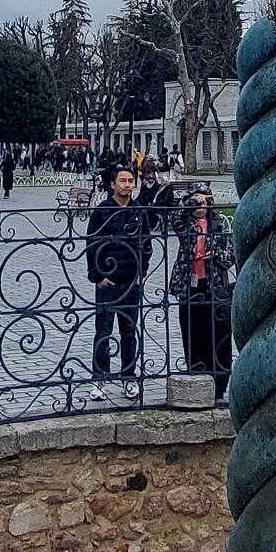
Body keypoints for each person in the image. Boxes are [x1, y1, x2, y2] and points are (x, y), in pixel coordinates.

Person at [84, 164, 166, 400]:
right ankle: (100, 379)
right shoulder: (102, 211)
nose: (127, 185)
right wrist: (97, 276)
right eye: (123, 181)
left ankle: (129, 377)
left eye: (130, 181)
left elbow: (146, 244)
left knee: (129, 331)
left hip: (131, 281)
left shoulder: (138, 211)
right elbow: (92, 244)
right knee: (103, 331)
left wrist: (142, 271)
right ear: (113, 184)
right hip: (108, 281)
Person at [170, 187, 236, 399]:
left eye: (204, 202)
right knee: (193, 335)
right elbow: (174, 215)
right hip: (189, 287)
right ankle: (196, 380)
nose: (200, 207)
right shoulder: (186, 224)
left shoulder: (219, 224)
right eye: (196, 203)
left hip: (214, 287)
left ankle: (218, 385)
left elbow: (230, 258)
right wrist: (192, 201)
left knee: (217, 337)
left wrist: (213, 253)